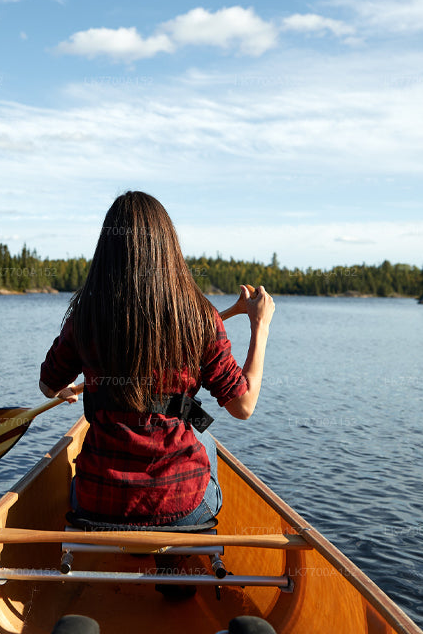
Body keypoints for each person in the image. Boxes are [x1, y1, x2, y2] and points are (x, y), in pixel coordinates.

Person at [38, 191, 274, 526]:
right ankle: (181, 557)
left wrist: (62, 387)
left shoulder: (85, 316)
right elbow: (244, 406)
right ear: (168, 247)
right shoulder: (200, 318)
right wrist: (259, 325)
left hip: (95, 503)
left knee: (198, 422)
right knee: (203, 433)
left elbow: (47, 385)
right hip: (182, 506)